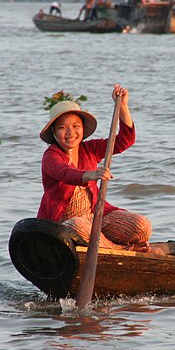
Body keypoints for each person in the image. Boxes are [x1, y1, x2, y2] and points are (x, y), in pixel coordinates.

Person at [37, 84, 153, 252]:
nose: (70, 132)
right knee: (78, 226)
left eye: (76, 126)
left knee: (142, 226)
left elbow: (123, 141)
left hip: (96, 215)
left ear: (83, 129)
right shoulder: (51, 156)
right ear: (54, 133)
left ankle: (113, 245)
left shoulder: (90, 149)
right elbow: (64, 172)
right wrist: (90, 174)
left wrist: (123, 107)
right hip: (65, 223)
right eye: (63, 127)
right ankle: (123, 251)